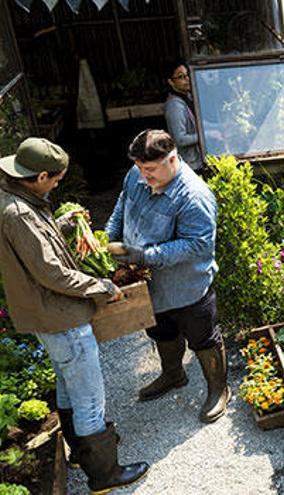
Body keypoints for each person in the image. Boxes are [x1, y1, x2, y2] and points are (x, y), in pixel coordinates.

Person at [0, 138, 149, 492]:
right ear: (38, 176)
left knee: (68, 385)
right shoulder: (18, 214)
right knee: (89, 397)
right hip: (60, 317)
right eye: (55, 180)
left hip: (44, 317)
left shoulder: (14, 198)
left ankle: (80, 452)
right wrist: (100, 286)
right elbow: (50, 272)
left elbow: (35, 247)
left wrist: (63, 223)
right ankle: (105, 475)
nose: (56, 185)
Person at [105, 129, 228, 423]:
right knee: (160, 330)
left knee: (203, 338)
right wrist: (108, 237)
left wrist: (143, 255)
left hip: (187, 287)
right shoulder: (137, 176)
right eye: (139, 168)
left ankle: (219, 390)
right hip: (151, 287)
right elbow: (123, 204)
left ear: (172, 159)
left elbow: (198, 245)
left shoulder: (194, 196)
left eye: (149, 170)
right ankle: (173, 374)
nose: (143, 176)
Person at [163, 60, 203, 172]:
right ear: (171, 82)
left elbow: (197, 122)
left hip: (197, 159)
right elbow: (180, 139)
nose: (187, 79)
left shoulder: (186, 97)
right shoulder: (174, 105)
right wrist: (204, 136)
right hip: (190, 164)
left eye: (187, 75)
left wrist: (218, 126)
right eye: (181, 77)